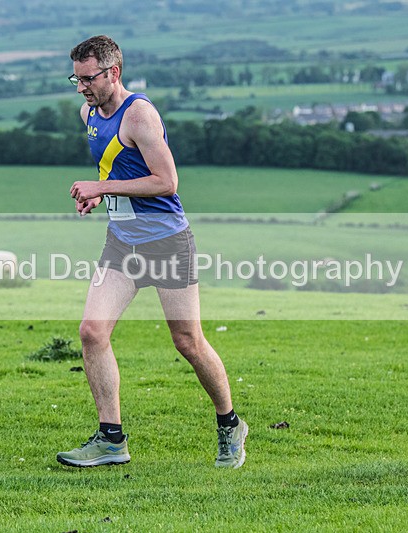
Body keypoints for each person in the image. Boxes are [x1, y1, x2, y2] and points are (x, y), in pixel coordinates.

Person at [56, 35, 248, 469]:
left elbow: (166, 181)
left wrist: (101, 186)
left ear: (114, 72)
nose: (82, 87)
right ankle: (111, 440)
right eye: (76, 79)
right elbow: (118, 168)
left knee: (188, 341)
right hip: (122, 241)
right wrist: (100, 195)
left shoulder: (139, 114)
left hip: (166, 242)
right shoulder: (88, 113)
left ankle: (230, 424)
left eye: (88, 79)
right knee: (92, 331)